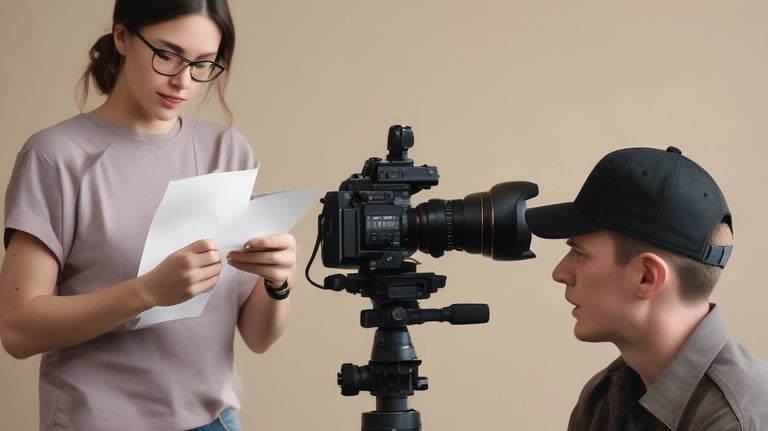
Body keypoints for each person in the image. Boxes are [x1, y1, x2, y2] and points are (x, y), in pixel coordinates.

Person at [0, 1, 297, 430]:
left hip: (216, 421)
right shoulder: (56, 156)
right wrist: (148, 292)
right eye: (167, 54)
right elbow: (19, 330)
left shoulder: (228, 151)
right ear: (122, 37)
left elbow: (259, 337)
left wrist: (278, 281)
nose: (183, 80)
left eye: (203, 64)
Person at [525, 146, 768, 430]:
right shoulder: (602, 398)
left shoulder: (739, 420)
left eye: (580, 253)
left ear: (646, 277)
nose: (560, 273)